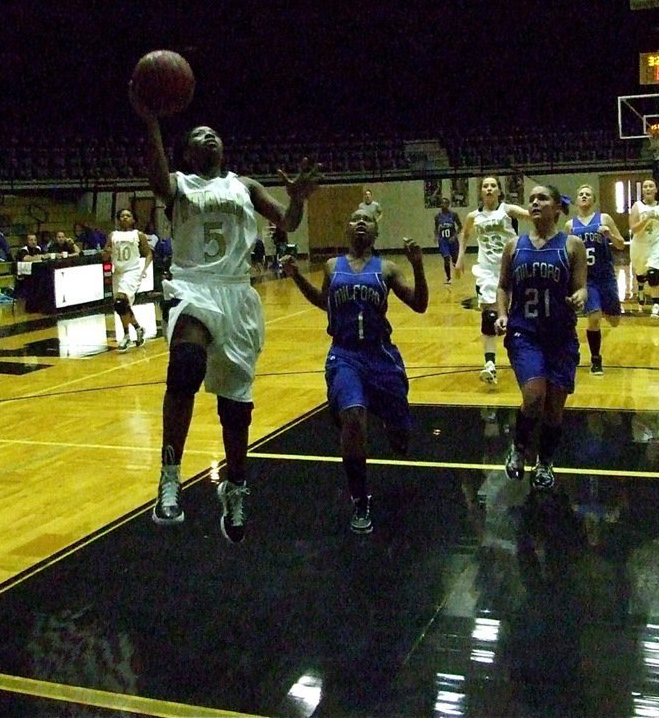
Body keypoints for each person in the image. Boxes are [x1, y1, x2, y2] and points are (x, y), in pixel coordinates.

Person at [132, 84, 320, 543]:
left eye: (213, 133)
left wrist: (297, 199)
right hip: (193, 287)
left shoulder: (245, 185)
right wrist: (151, 119)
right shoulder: (179, 185)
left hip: (238, 296)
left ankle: (235, 487)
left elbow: (289, 223)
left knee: (236, 410)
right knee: (186, 365)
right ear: (187, 153)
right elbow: (157, 179)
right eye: (198, 135)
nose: (208, 138)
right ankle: (170, 474)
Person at [281, 210, 428, 534]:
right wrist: (296, 276)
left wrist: (417, 263)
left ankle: (389, 416)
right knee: (353, 416)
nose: (360, 222)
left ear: (376, 231)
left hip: (380, 355)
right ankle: (360, 499)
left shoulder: (387, 269)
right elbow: (324, 302)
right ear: (347, 229)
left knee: (401, 439)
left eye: (367, 219)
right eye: (355, 218)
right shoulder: (333, 267)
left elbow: (419, 304)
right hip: (345, 354)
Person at [495, 185, 586, 490]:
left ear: (557, 207)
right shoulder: (514, 246)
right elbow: (503, 286)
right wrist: (503, 313)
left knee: (554, 408)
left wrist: (579, 297)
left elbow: (580, 287)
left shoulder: (572, 246)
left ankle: (545, 460)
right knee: (534, 396)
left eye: (542, 198)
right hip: (526, 333)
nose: (534, 203)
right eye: (531, 199)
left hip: (561, 336)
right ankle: (519, 447)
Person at [455, 176, 530, 385]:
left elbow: (532, 216)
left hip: (511, 268)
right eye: (485, 186)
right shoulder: (473, 216)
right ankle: (489, 364)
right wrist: (460, 257)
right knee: (489, 315)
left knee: (516, 316)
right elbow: (465, 233)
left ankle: (524, 356)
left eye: (493, 185)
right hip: (487, 271)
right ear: (481, 191)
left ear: (499, 191)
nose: (489, 188)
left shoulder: (507, 210)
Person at [566, 184, 625, 376]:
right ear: (576, 201)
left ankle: (608, 310)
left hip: (605, 276)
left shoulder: (604, 219)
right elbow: (566, 253)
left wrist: (610, 235)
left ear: (593, 200)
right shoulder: (570, 226)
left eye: (588, 194)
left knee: (614, 321)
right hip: (586, 278)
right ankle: (596, 359)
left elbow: (621, 244)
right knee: (594, 317)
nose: (584, 196)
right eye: (581, 194)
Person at [109, 208, 153, 351]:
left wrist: (144, 269)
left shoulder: (138, 235)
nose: (125, 218)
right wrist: (105, 253)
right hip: (118, 272)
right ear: (118, 219)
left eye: (128, 215)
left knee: (121, 301)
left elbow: (148, 253)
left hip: (132, 271)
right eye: (122, 216)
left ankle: (126, 336)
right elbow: (104, 254)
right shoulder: (112, 235)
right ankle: (138, 328)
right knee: (121, 305)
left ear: (133, 219)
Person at [628, 179, 659, 317]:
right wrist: (646, 219)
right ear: (642, 190)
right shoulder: (637, 206)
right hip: (640, 244)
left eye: (651, 186)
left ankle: (656, 304)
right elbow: (634, 229)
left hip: (657, 242)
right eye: (645, 186)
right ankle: (640, 288)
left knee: (653, 272)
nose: (648, 188)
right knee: (641, 273)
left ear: (656, 189)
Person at [434, 196, 461, 286]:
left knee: (454, 259)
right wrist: (436, 236)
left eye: (445, 203)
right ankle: (448, 278)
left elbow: (460, 226)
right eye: (442, 203)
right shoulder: (438, 216)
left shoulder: (453, 214)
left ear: (448, 204)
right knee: (446, 259)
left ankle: (457, 271)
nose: (443, 205)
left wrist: (454, 236)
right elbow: (436, 227)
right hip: (443, 241)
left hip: (452, 240)